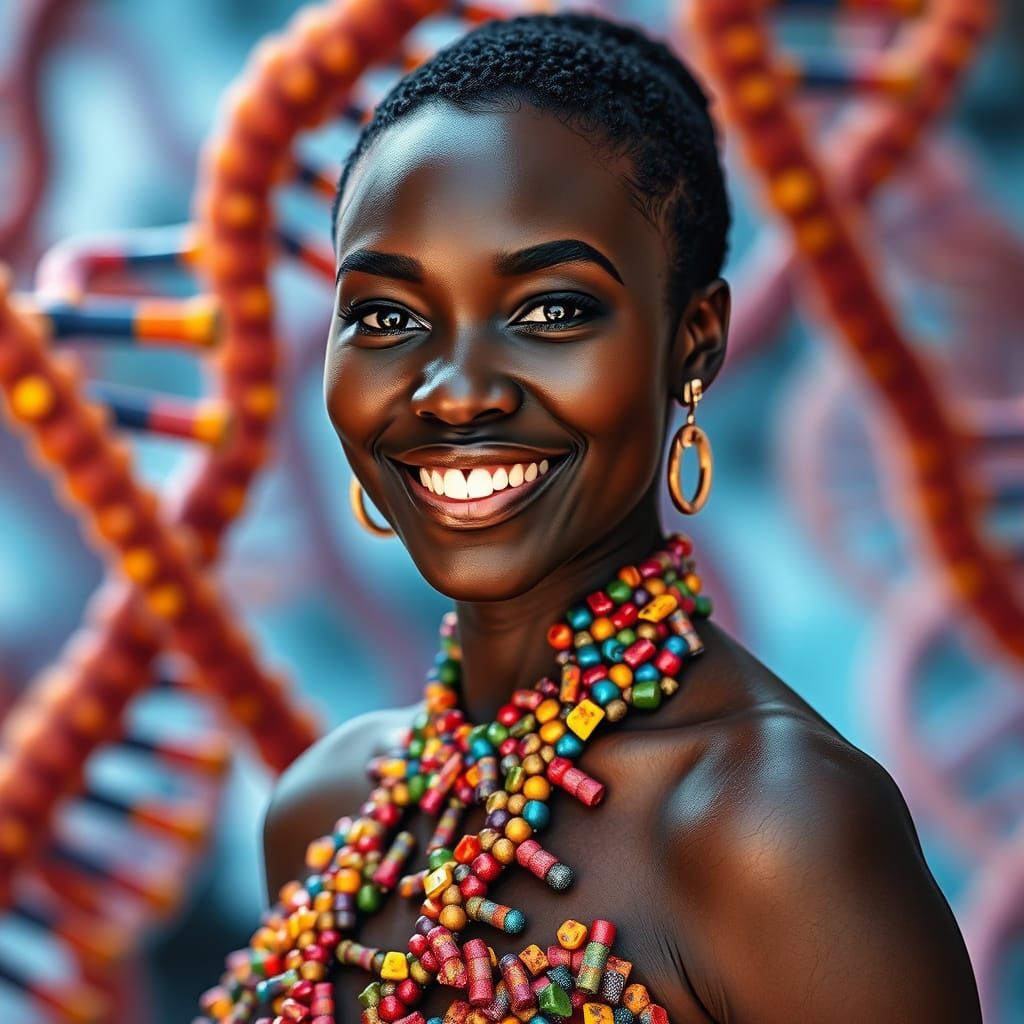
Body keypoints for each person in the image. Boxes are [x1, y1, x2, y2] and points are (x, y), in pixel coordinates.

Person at [256, 11, 981, 1023]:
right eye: (387, 316)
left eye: (550, 310)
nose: (456, 393)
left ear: (693, 342)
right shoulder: (322, 813)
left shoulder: (774, 832)